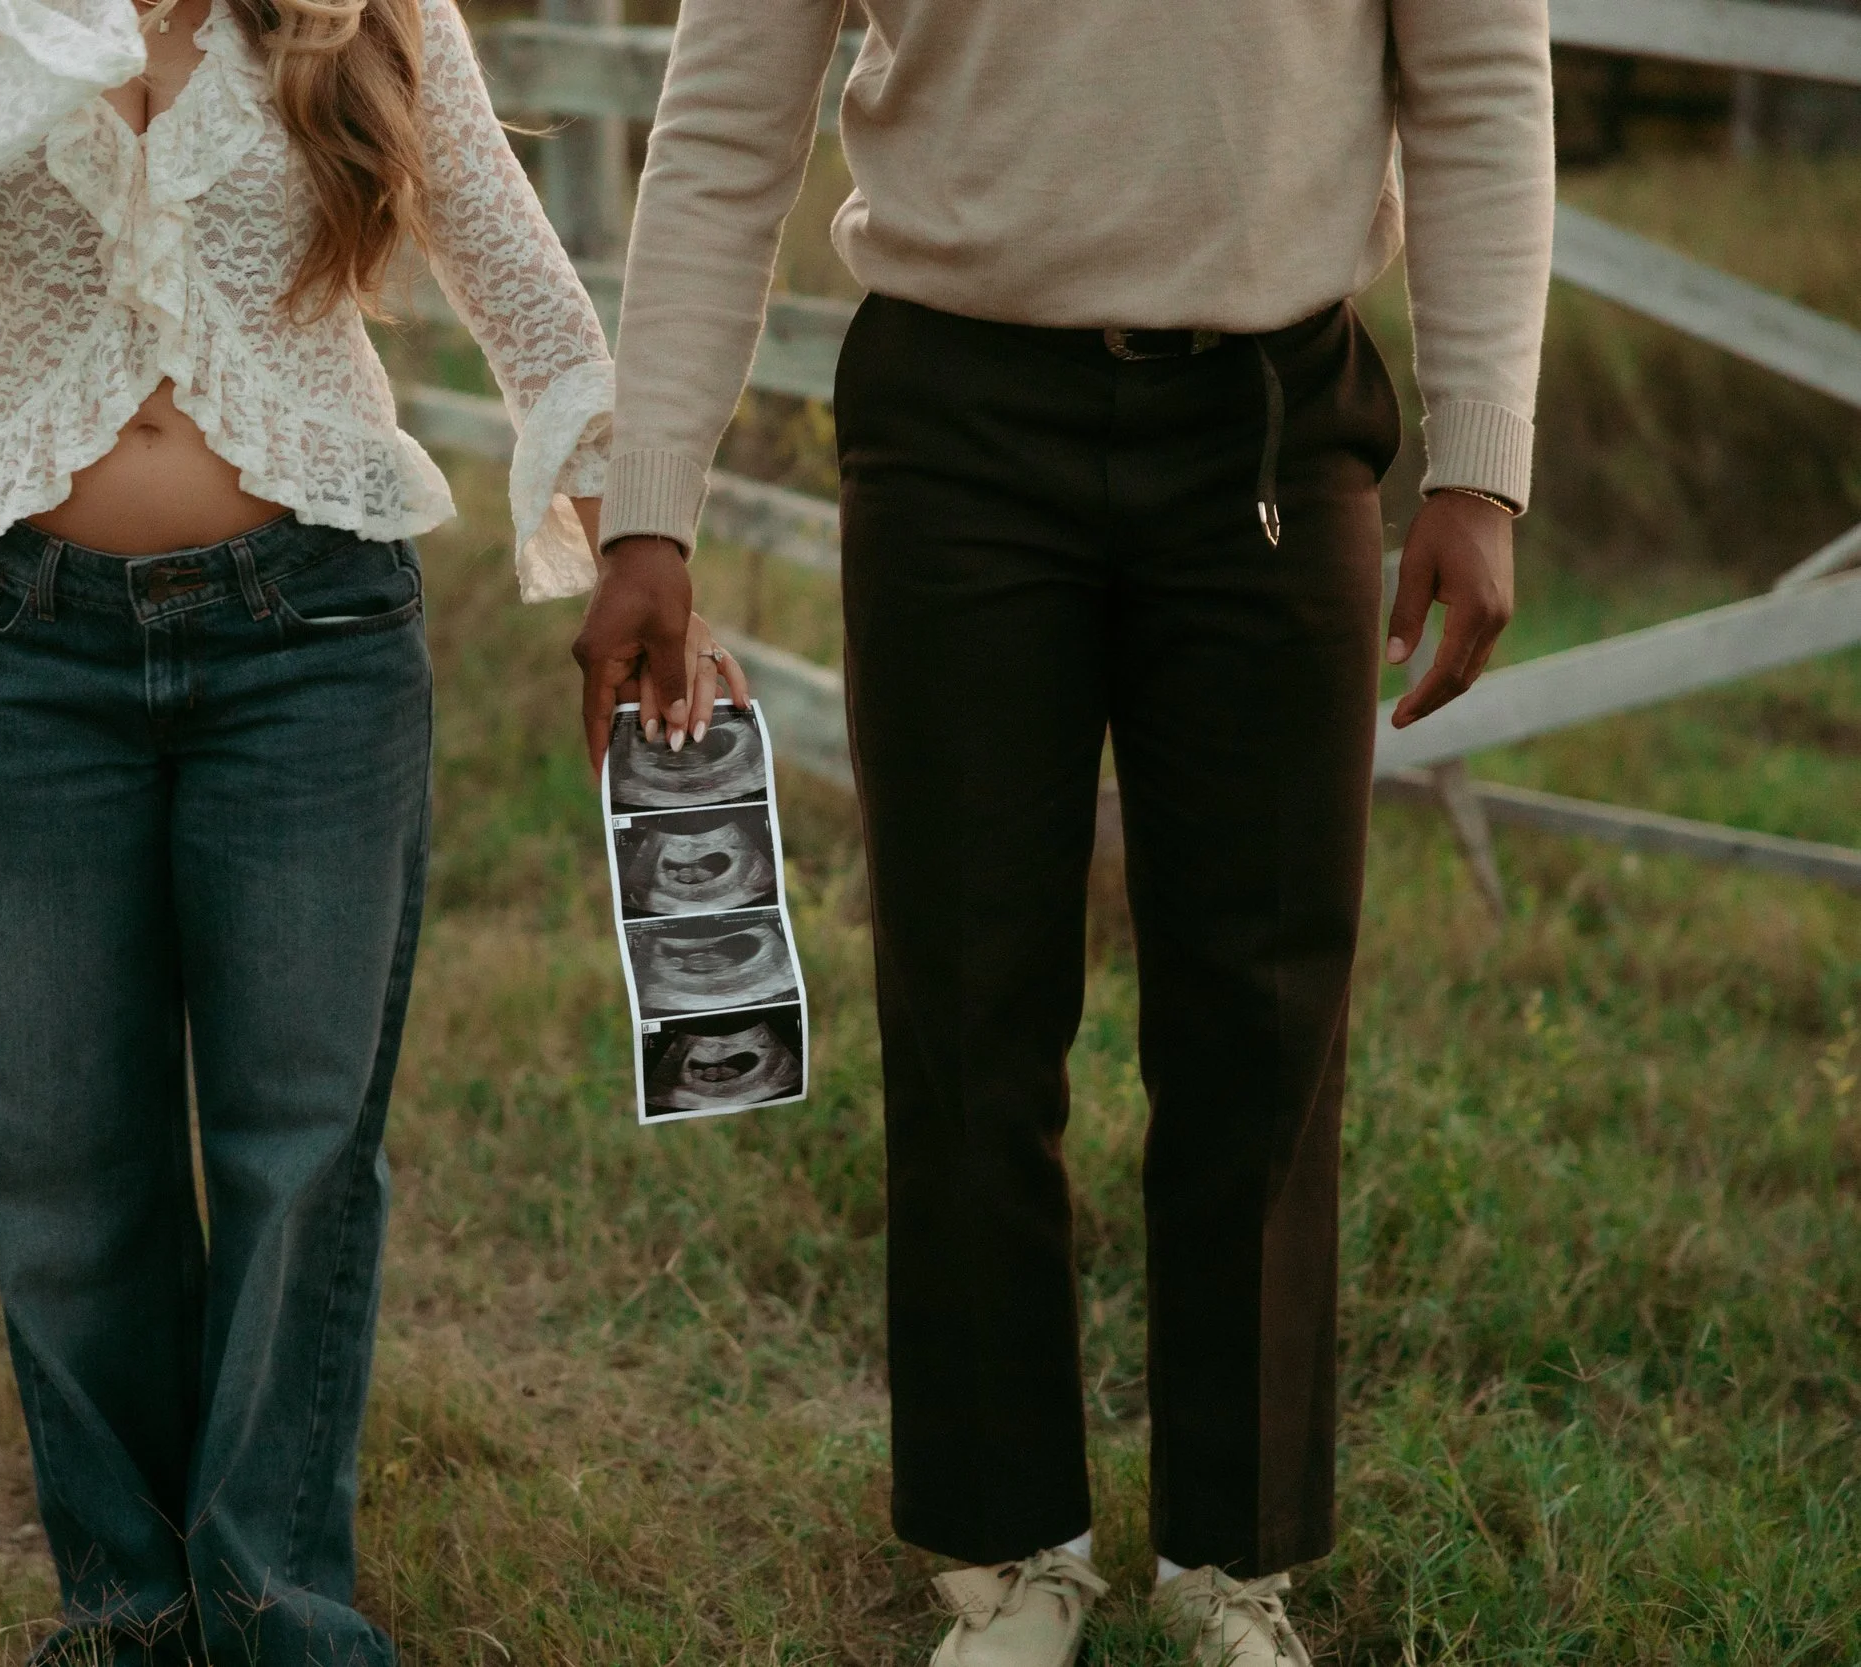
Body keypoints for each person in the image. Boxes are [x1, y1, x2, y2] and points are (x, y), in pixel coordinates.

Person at [572, 0, 1553, 1660]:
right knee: (969, 991)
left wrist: (1480, 460)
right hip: (955, 423)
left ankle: (1231, 1562)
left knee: (1261, 1006)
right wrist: (649, 501)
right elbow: (729, 115)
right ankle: (1009, 1547)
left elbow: (1477, 84)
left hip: (1272, 416)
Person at [0, 0, 726, 1658]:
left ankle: (278, 1595)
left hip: (312, 639)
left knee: (299, 1143)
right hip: (23, 642)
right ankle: (128, 1605)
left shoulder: (359, 10)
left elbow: (510, 263)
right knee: (57, 1155)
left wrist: (636, 529)